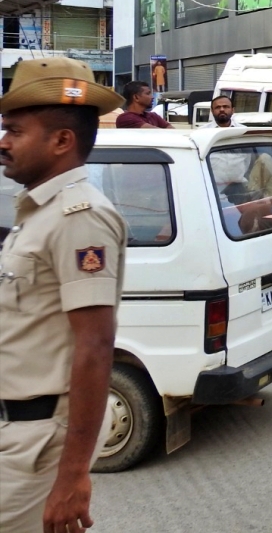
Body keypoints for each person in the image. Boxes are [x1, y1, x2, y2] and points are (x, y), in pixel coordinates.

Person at [0, 57, 127, 531]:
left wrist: (73, 476)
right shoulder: (38, 211)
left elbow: (95, 345)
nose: (3, 143)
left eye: (14, 131)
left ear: (61, 141)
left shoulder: (80, 217)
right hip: (17, 430)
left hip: (37, 440)